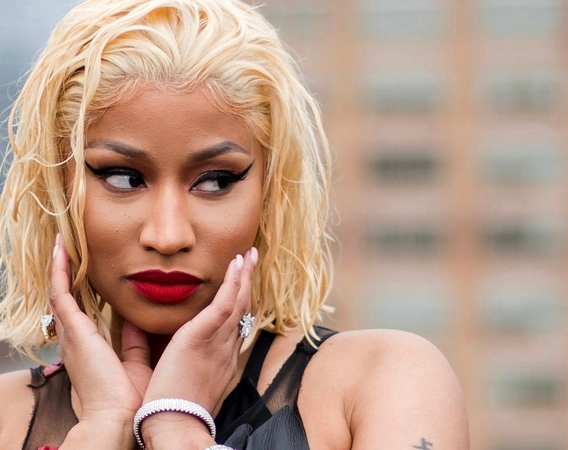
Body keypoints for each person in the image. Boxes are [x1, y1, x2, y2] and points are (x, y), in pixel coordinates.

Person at [0, 0, 469, 448]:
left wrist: (178, 429)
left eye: (216, 181)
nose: (168, 236)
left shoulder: (383, 381)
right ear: (57, 187)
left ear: (270, 189)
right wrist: (105, 426)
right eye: (123, 177)